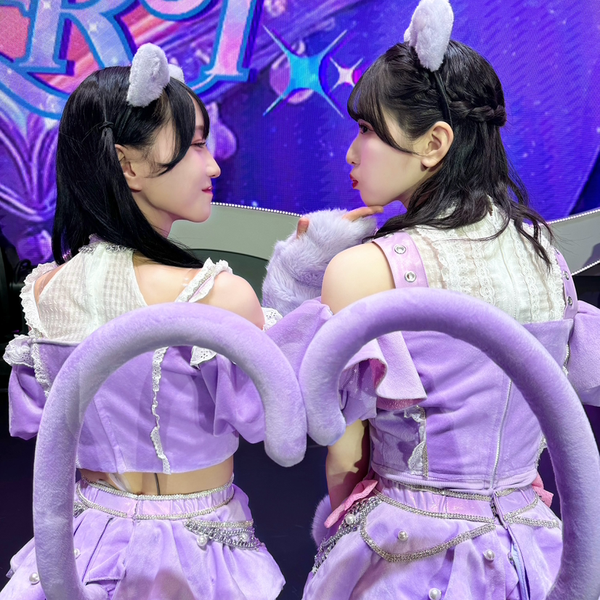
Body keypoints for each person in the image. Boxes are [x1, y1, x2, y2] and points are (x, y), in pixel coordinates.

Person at [262, 0, 600, 598]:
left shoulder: (365, 269)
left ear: (435, 142)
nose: (351, 153)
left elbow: (332, 446)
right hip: (531, 553)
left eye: (368, 130)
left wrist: (295, 271)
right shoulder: (543, 254)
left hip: (405, 554)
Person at [1, 44, 288, 600]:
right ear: (128, 164)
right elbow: (275, 421)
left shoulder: (43, 292)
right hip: (197, 557)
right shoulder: (214, 295)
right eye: (196, 143)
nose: (213, 164)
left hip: (81, 551)